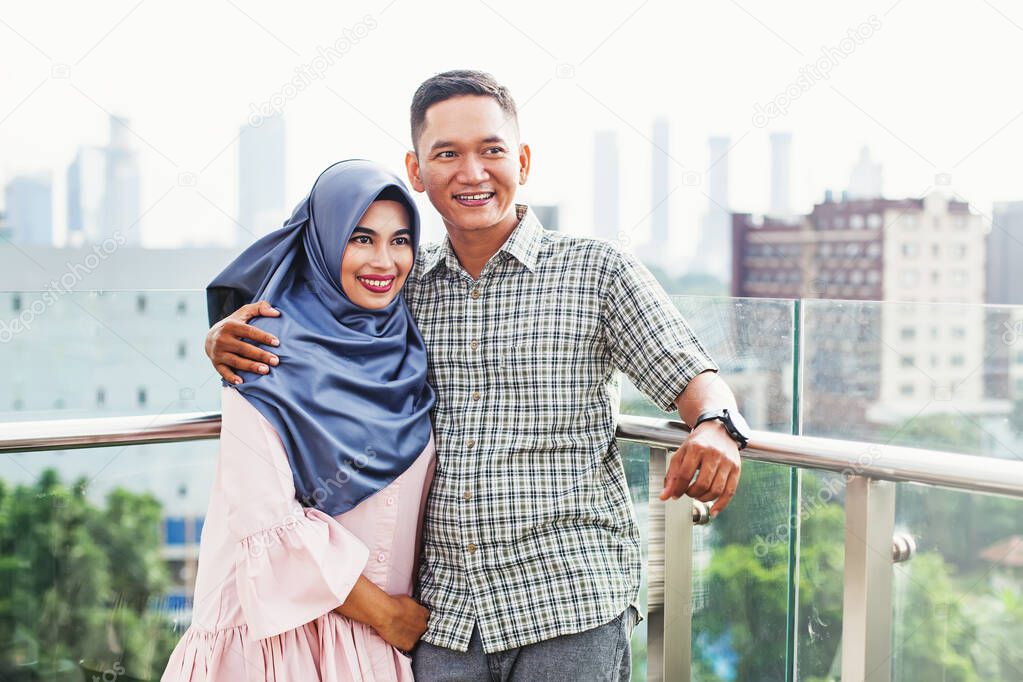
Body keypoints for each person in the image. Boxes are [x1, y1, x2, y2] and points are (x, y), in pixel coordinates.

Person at [205, 71, 747, 681]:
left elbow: (691, 371)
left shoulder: (598, 271)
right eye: (448, 154)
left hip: (568, 601)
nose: (472, 172)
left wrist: (715, 425)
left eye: (491, 150)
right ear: (416, 171)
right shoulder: (400, 288)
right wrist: (222, 336)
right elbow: (315, 329)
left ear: (523, 160)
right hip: (443, 616)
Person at [163, 160, 437, 680]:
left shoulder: (407, 346)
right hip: (280, 646)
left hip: (371, 646)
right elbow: (268, 524)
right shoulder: (262, 350)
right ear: (322, 242)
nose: (385, 260)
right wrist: (389, 615)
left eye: (400, 240)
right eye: (361, 238)